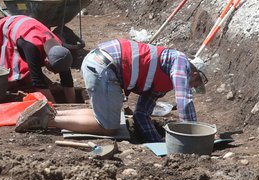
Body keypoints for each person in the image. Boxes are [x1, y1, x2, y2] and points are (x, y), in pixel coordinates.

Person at [15, 39, 208, 143]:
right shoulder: (180, 61)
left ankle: (50, 112)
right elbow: (184, 101)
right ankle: (46, 119)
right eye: (195, 82)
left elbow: (142, 114)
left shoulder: (162, 79)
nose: (191, 86)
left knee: (106, 115)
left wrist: (156, 141)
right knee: (109, 126)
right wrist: (194, 137)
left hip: (100, 65)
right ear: (194, 73)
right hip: (105, 68)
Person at [0, 15, 75, 103]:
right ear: (46, 60)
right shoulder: (32, 47)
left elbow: (67, 79)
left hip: (20, 35)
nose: (54, 73)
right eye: (53, 70)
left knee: (29, 82)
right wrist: (55, 107)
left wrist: (72, 104)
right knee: (4, 83)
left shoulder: (60, 51)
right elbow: (38, 81)